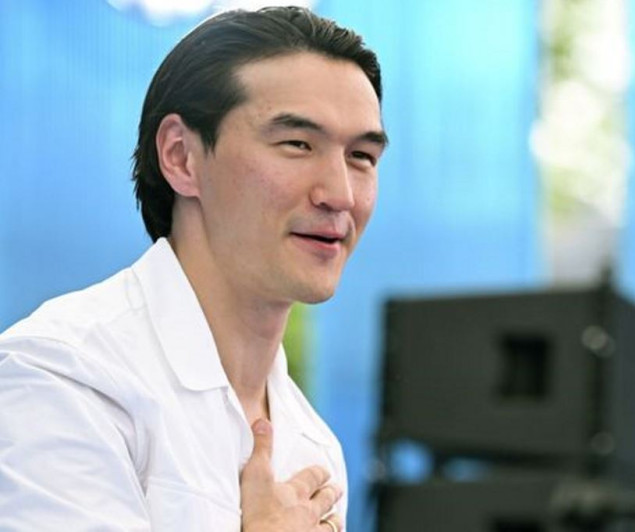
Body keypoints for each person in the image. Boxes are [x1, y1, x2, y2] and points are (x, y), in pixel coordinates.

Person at [0, 6, 387, 532]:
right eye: (297, 144)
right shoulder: (63, 375)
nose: (340, 194)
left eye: (362, 156)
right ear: (181, 157)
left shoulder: (315, 446)